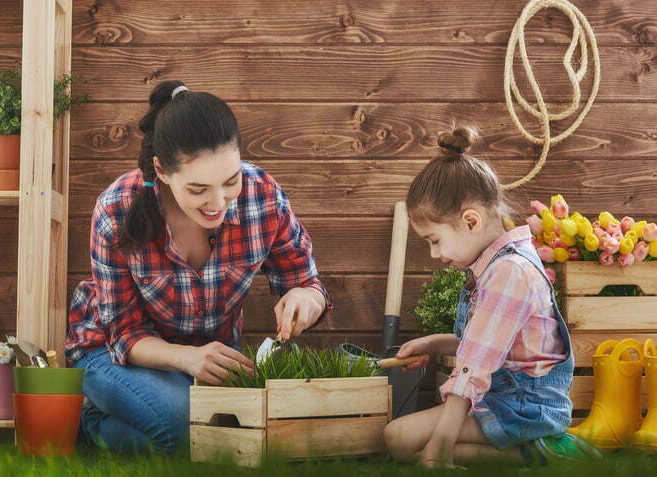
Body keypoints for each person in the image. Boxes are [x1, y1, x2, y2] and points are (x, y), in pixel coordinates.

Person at [66, 81, 331, 454]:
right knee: (185, 423)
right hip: (113, 354)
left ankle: (127, 421)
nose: (218, 202)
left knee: (225, 433)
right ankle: (92, 418)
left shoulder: (262, 194)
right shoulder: (117, 208)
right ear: (161, 170)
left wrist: (306, 297)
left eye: (230, 181)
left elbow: (306, 281)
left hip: (208, 361)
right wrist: (186, 358)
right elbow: (123, 334)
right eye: (197, 190)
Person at [384, 127, 599, 467]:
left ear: (471, 221)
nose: (433, 254)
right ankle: (531, 457)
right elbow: (494, 346)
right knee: (401, 441)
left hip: (525, 411)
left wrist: (440, 444)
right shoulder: (498, 265)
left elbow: (477, 363)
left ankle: (549, 454)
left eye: (434, 240)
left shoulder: (509, 272)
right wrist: (433, 343)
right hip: (503, 401)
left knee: (400, 438)